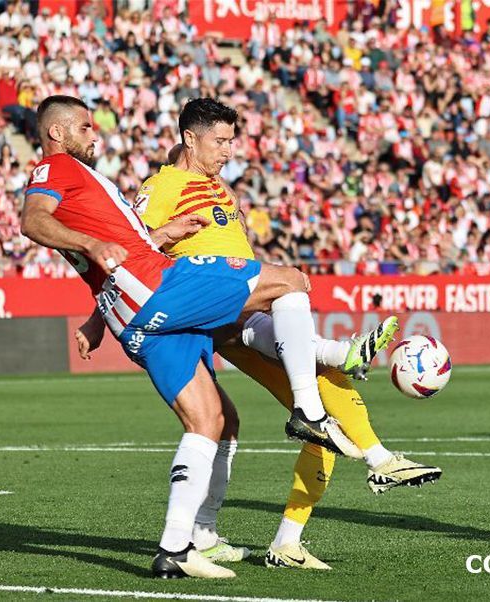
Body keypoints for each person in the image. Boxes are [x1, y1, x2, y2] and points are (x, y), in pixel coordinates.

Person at [19, 95, 361, 579]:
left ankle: (176, 548)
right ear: (57, 133)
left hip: (130, 314)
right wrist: (92, 243)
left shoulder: (87, 181)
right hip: (156, 288)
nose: (96, 134)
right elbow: (32, 220)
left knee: (212, 418)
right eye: (85, 127)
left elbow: (128, 243)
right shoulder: (56, 168)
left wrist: (154, 243)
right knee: (290, 281)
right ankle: (308, 408)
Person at [115, 97, 440, 569]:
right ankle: (353, 391)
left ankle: (287, 540)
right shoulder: (163, 185)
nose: (229, 151)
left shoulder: (216, 186)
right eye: (220, 141)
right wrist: (168, 232)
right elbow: (131, 252)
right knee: (301, 318)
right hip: (207, 302)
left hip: (243, 308)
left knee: (328, 406)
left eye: (232, 140)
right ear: (189, 138)